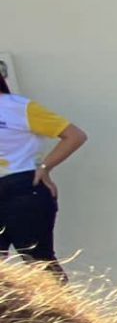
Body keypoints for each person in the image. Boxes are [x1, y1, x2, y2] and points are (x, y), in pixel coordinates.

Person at [0, 70, 87, 278]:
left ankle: (61, 301)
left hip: (22, 186)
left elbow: (74, 136)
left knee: (38, 262)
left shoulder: (19, 107)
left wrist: (46, 167)